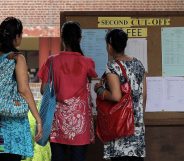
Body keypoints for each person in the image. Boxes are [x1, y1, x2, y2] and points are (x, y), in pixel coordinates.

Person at [38, 21, 98, 161]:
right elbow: (93, 81)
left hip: (58, 123)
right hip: (80, 124)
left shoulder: (52, 61)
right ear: (79, 38)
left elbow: (43, 90)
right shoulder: (87, 62)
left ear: (62, 38)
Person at [94, 29, 147, 161]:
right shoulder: (138, 64)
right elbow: (144, 95)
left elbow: (116, 96)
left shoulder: (112, 67)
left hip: (119, 128)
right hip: (137, 128)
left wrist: (100, 90)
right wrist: (138, 117)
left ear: (109, 46)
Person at [0, 17, 42, 161]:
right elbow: (24, 90)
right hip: (12, 126)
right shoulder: (17, 58)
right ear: (16, 36)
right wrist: (38, 119)